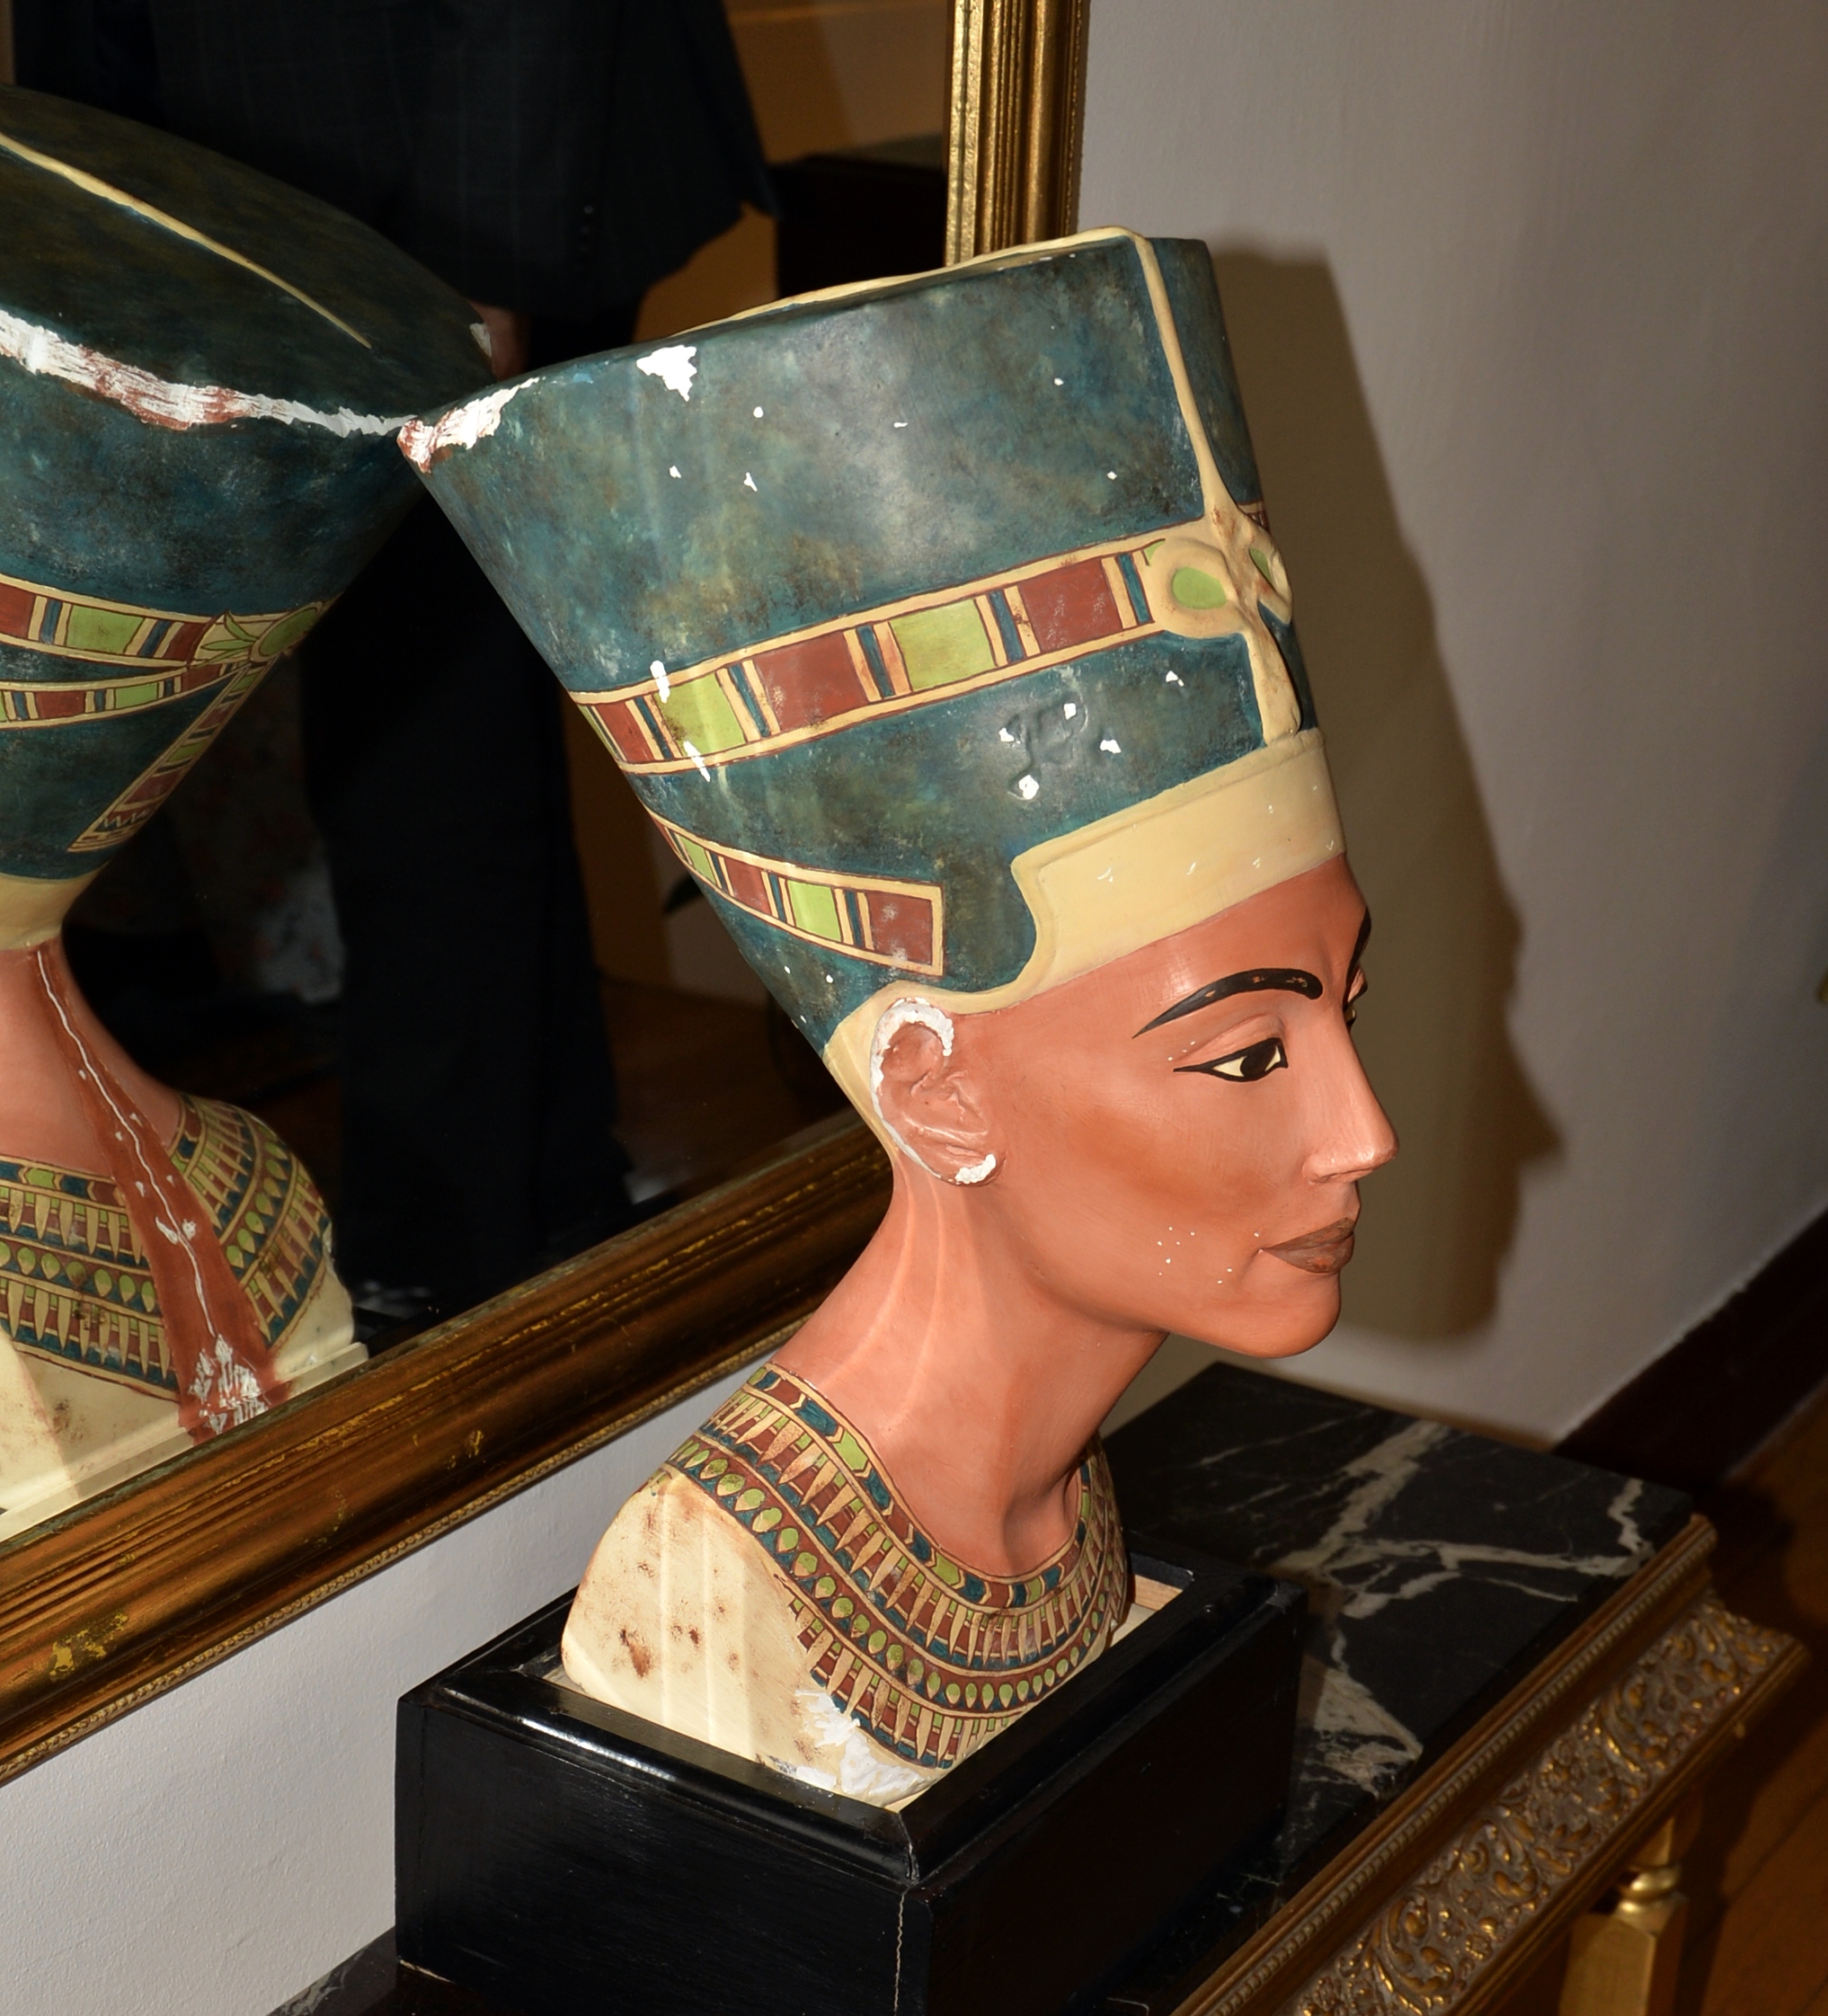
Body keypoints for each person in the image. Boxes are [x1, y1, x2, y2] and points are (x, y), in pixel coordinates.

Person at [403, 227, 1397, 1797]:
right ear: (935, 1092)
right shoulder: (711, 1593)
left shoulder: (1054, 1490)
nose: (1363, 1134)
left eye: (1348, 1007)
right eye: (1247, 1054)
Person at [13, 0, 776, 1326]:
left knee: (417, 744)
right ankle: (536, 1195)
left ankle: (439, 1254)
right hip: (258, 180)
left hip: (446, 195)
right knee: (452, 722)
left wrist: (478, 264)